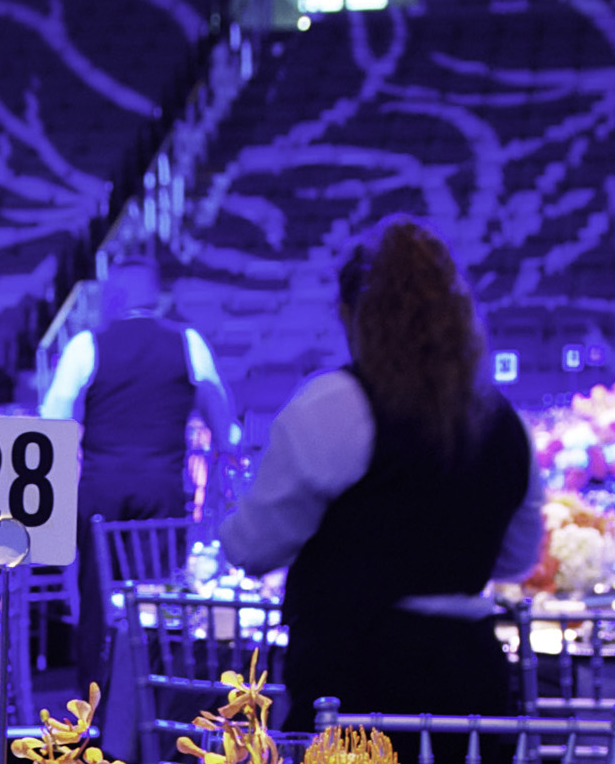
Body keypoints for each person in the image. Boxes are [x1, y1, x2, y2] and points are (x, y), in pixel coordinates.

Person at [223, 220, 542, 724]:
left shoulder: (333, 404)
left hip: (353, 693)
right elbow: (515, 562)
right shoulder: (505, 420)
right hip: (472, 699)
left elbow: (249, 550)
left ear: (352, 315)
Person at [40, 246, 239, 679]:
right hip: (162, 491)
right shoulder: (188, 343)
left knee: (98, 597)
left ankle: (93, 703)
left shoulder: (85, 345)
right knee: (159, 599)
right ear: (157, 296)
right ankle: (154, 696)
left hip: (99, 490)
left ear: (113, 296)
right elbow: (226, 429)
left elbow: (52, 422)